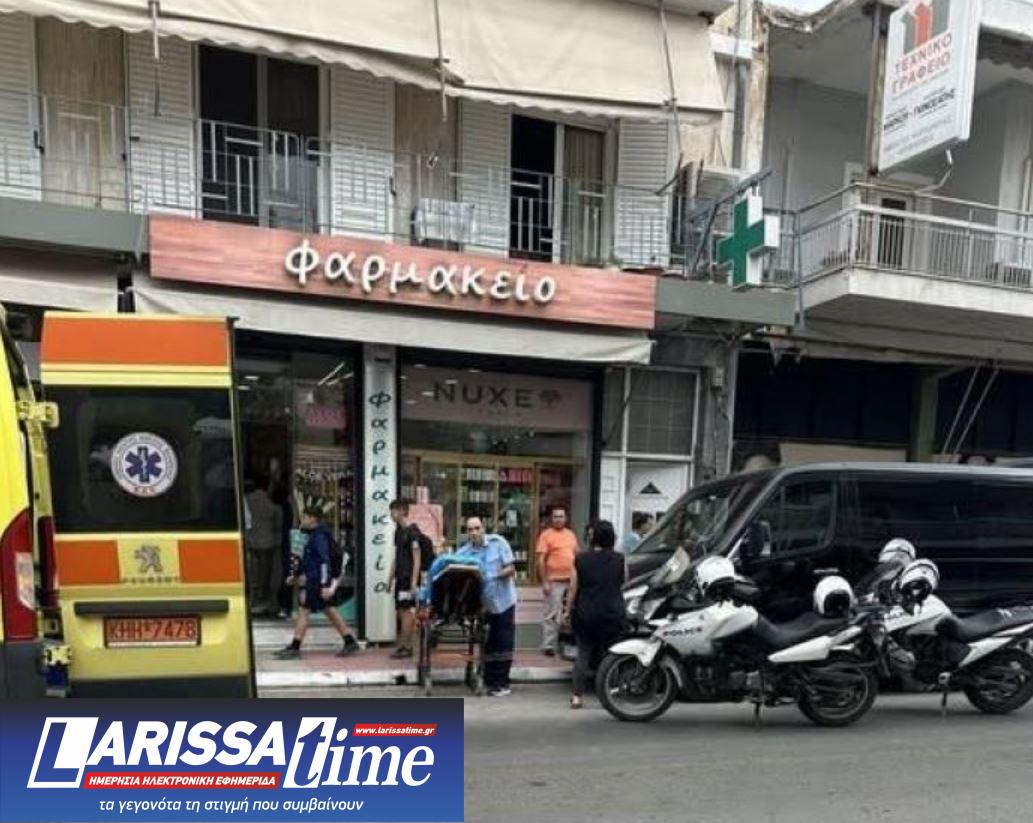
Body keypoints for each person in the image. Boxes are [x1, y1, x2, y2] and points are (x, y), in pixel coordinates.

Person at [274, 506, 359, 659]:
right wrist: (296, 575)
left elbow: (324, 561)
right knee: (328, 609)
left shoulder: (319, 537)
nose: (301, 520)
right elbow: (309, 559)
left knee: (305, 609)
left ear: (312, 518)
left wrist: (325, 584)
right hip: (316, 579)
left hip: (317, 581)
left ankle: (295, 647)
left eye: (304, 517)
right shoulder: (315, 535)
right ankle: (349, 640)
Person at [564, 520, 627, 709]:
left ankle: (577, 696)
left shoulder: (581, 559)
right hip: (612, 612)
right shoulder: (620, 559)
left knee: (583, 654)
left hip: (586, 612)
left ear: (593, 537)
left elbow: (573, 588)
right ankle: (610, 693)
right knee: (610, 654)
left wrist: (567, 611)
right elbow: (624, 582)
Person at [462, 516, 517, 697]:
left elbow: (511, 568)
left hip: (504, 602)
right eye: (470, 529)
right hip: (484, 606)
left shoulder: (498, 543)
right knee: (489, 644)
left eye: (477, 528)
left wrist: (493, 576)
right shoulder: (465, 552)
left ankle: (502, 683)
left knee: (503, 642)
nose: (474, 532)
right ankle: (489, 679)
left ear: (483, 528)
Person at [535, 506, 579, 657]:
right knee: (552, 614)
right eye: (555, 516)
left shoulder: (571, 535)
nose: (558, 519)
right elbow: (541, 561)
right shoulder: (546, 535)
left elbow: (577, 555)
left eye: (561, 516)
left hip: (571, 581)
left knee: (569, 613)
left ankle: (566, 644)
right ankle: (548, 645)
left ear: (566, 518)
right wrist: (545, 582)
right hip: (554, 581)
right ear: (551, 519)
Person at [386, 499, 425, 659]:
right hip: (400, 578)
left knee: (407, 611)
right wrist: (390, 578)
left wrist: (414, 582)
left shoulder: (413, 533)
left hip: (409, 579)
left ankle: (406, 647)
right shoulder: (398, 532)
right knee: (400, 611)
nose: (391, 514)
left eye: (394, 510)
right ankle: (404, 645)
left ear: (403, 511)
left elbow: (417, 559)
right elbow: (397, 557)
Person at [244, 477, 283, 616]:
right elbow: (278, 524)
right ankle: (263, 598)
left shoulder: (247, 499)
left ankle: (254, 599)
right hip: (268, 543)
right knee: (265, 573)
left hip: (250, 541)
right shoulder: (273, 504)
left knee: (252, 571)